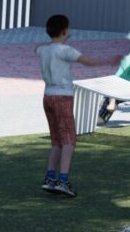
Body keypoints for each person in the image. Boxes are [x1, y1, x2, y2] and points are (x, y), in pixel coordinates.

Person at [36, 14, 91, 197]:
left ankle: (50, 178)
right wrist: (109, 61)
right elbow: (86, 61)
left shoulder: (43, 50)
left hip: (48, 96)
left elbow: (37, 49)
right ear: (65, 31)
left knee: (56, 141)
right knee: (68, 140)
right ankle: (63, 181)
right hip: (63, 96)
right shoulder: (65, 50)